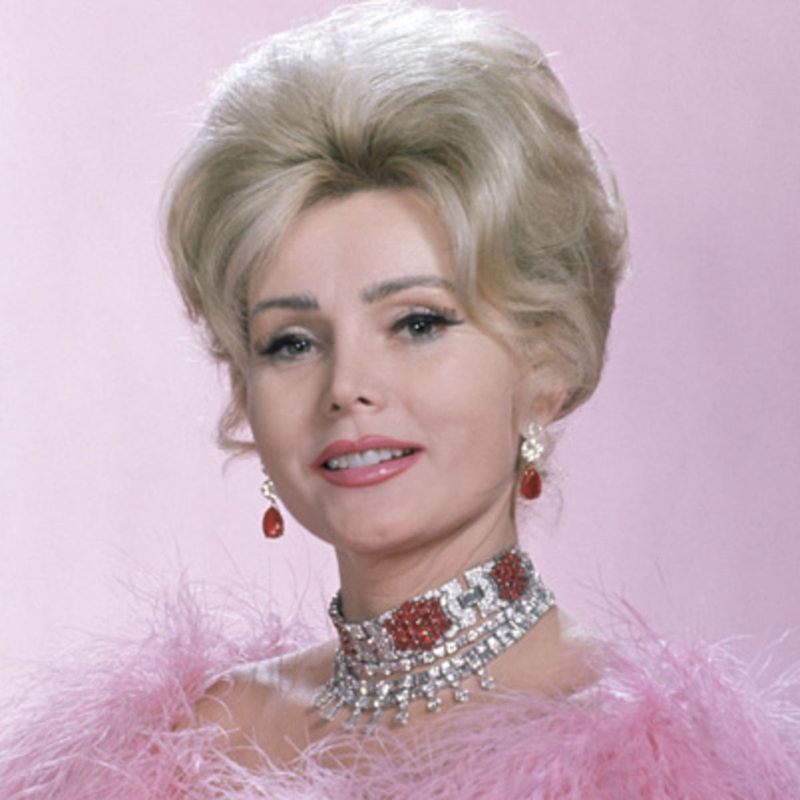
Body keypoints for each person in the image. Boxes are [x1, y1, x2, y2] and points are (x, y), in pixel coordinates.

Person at [2, 2, 798, 798]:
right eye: (292, 342)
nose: (346, 385)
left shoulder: (657, 767)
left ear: (546, 364)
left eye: (417, 323)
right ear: (245, 391)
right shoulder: (186, 748)